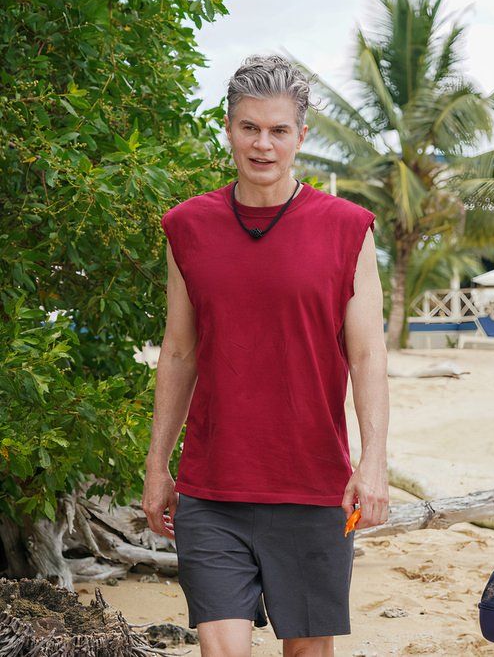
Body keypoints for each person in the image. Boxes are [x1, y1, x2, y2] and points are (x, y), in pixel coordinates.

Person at [142, 55, 389, 657]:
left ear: (301, 136)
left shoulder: (348, 228)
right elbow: (179, 352)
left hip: (311, 488)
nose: (263, 143)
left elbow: (367, 353)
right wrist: (157, 463)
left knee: (308, 652)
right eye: (249, 127)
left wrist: (374, 460)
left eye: (279, 130)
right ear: (228, 129)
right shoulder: (187, 227)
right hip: (212, 488)